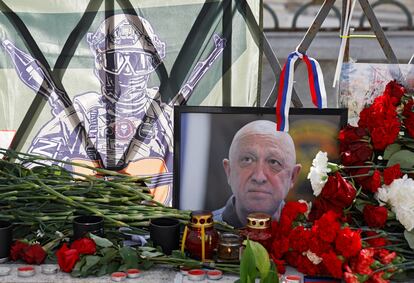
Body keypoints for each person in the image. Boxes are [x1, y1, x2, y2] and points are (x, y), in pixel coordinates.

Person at [213, 120, 302, 228]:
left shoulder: (313, 236)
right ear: (229, 171)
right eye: (247, 160)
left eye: (273, 162)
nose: (259, 177)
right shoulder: (195, 235)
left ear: (293, 176)